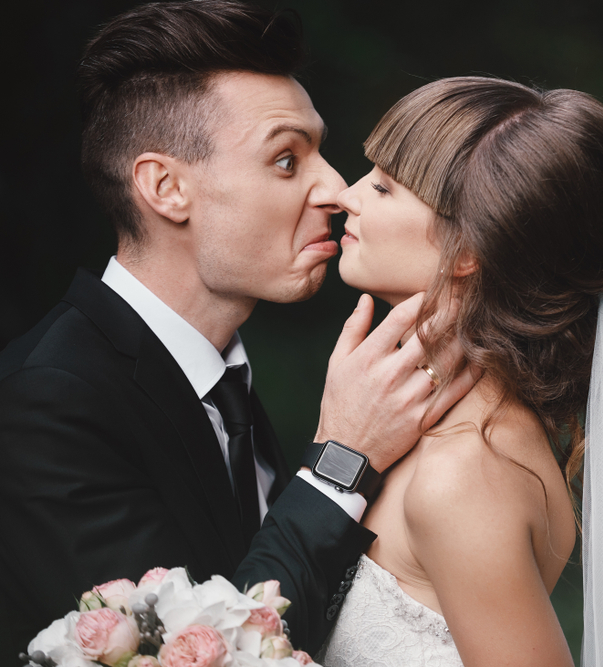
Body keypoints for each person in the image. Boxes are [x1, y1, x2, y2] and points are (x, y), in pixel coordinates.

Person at [0, 3, 473, 664]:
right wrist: (340, 458)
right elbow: (203, 653)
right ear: (165, 187)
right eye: (286, 160)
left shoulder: (222, 382)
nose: (336, 189)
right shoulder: (46, 403)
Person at [317, 77, 603, 666]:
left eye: (383, 188)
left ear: (466, 252)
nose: (346, 194)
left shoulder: (467, 473)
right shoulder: (433, 430)